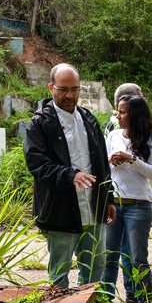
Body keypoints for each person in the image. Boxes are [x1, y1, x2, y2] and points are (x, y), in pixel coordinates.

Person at [24, 63, 114, 289]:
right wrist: (69, 175)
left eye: (74, 89)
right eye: (63, 89)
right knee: (60, 271)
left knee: (95, 266)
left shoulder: (88, 119)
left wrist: (108, 198)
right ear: (50, 88)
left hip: (92, 208)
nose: (70, 95)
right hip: (60, 210)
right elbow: (37, 164)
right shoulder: (40, 123)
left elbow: (102, 163)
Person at [102, 95, 152, 303]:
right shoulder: (113, 136)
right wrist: (111, 160)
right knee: (108, 256)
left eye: (122, 112)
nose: (118, 116)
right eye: (118, 111)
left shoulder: (151, 140)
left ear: (134, 115)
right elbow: (103, 170)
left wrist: (131, 159)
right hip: (113, 205)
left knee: (138, 258)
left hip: (139, 206)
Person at [105, 82, 144, 303]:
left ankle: (133, 293)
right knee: (124, 250)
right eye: (140, 96)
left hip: (136, 196)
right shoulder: (115, 128)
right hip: (120, 198)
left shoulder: (143, 130)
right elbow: (108, 162)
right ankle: (130, 293)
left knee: (129, 250)